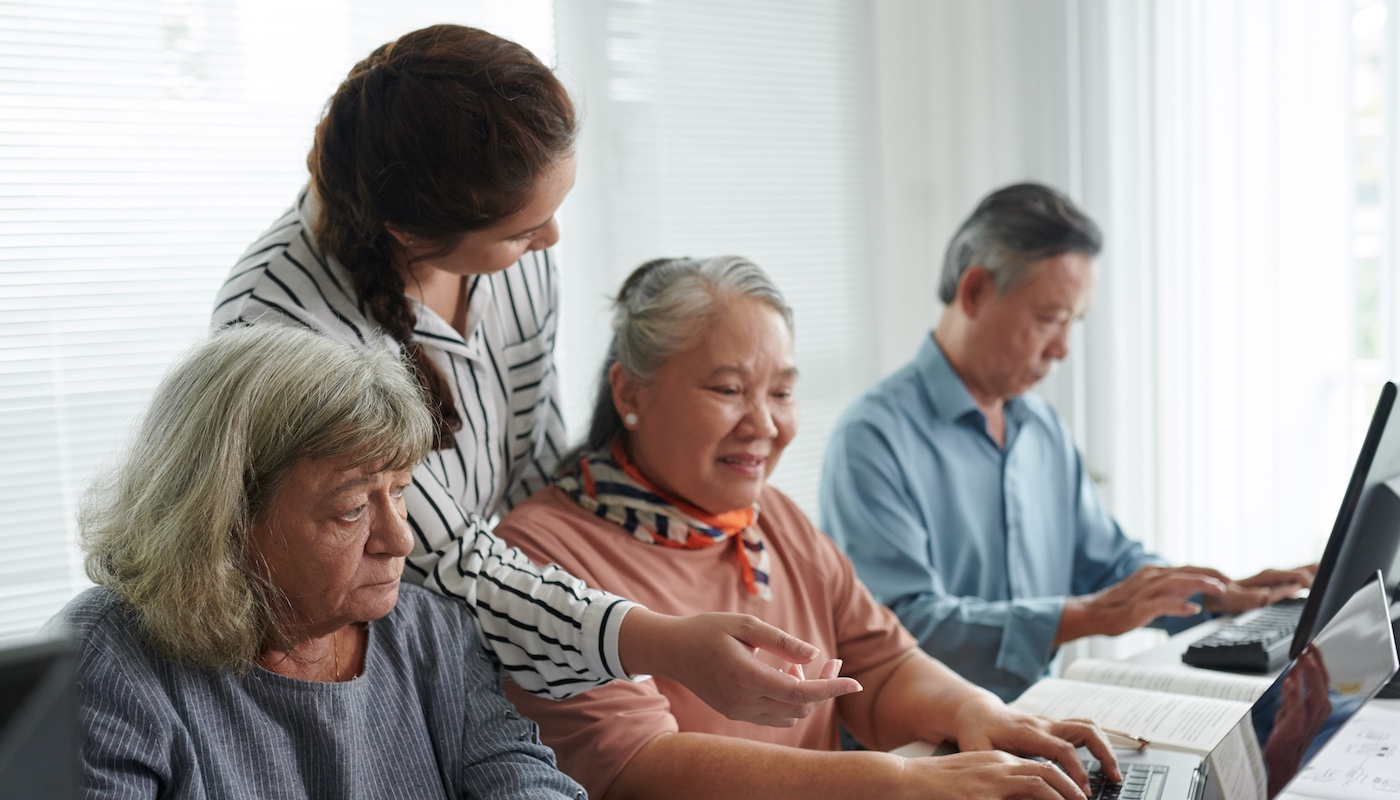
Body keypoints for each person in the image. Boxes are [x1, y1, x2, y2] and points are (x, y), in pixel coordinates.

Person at [211, 24, 853, 723]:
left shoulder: (515, 249)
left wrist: (610, 597)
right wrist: (653, 641)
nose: (550, 240)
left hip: (519, 619)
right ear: (409, 233)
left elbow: (533, 462)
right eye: (522, 230)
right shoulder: (280, 326)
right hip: (368, 673)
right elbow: (440, 564)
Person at [494, 255, 1122, 800]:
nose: (763, 424)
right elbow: (641, 769)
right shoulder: (541, 556)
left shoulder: (774, 517)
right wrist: (905, 785)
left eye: (783, 393)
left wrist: (974, 710)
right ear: (630, 392)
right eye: (729, 389)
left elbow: (881, 665)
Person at [819, 182, 1316, 702]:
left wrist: (1217, 595)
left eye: (1073, 323)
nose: (1062, 349)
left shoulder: (1041, 428)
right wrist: (1087, 616)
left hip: (1035, 722)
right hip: (923, 751)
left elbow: (1110, 564)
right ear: (975, 292)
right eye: (1050, 320)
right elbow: (899, 632)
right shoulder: (873, 440)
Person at [49, 325, 584, 797]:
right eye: (352, 510)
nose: (400, 540)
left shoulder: (430, 632)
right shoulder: (100, 665)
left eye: (399, 492)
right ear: (224, 520)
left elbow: (521, 779)